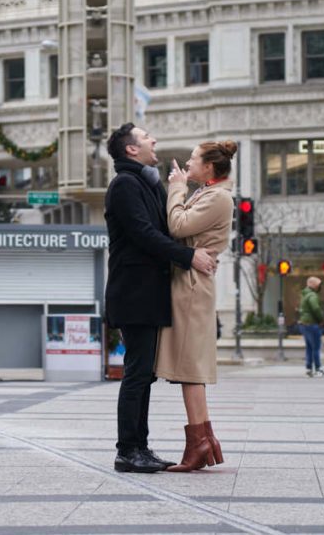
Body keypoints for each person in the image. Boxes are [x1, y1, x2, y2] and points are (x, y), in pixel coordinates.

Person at [104, 123, 218, 474]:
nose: (153, 139)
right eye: (146, 137)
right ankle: (128, 450)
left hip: (148, 294)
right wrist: (189, 257)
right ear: (131, 150)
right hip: (134, 294)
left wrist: (178, 191)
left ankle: (139, 446)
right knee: (137, 374)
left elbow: (169, 227)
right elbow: (144, 234)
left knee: (143, 374)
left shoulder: (144, 182)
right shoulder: (125, 184)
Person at [155, 140, 237, 472]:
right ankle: (204, 440)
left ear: (209, 167)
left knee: (190, 370)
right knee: (190, 371)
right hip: (190, 281)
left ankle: (199, 444)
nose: (188, 164)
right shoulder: (209, 193)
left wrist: (176, 188)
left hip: (191, 286)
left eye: (193, 159)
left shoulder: (218, 197)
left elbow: (178, 226)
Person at [298, 276, 324, 377]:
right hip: (312, 324)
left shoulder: (304, 295)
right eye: (319, 285)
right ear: (315, 286)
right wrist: (322, 319)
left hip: (304, 324)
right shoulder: (312, 295)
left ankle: (309, 369)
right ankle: (319, 369)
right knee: (316, 348)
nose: (320, 287)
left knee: (309, 347)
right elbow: (316, 309)